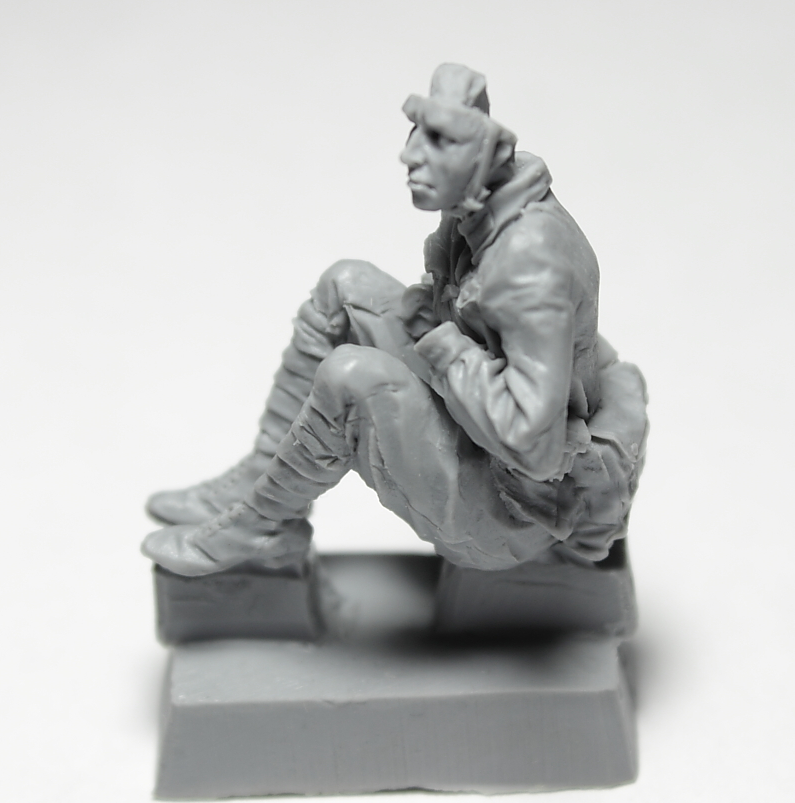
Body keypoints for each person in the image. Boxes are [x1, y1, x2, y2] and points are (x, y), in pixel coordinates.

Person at [142, 64, 648, 577]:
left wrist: (447, 347)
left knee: (351, 377)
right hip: (473, 435)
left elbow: (533, 446)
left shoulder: (528, 262)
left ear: (486, 155)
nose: (410, 155)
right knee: (345, 284)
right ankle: (262, 479)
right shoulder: (484, 207)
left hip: (513, 510)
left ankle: (258, 530)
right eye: (417, 133)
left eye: (441, 141)